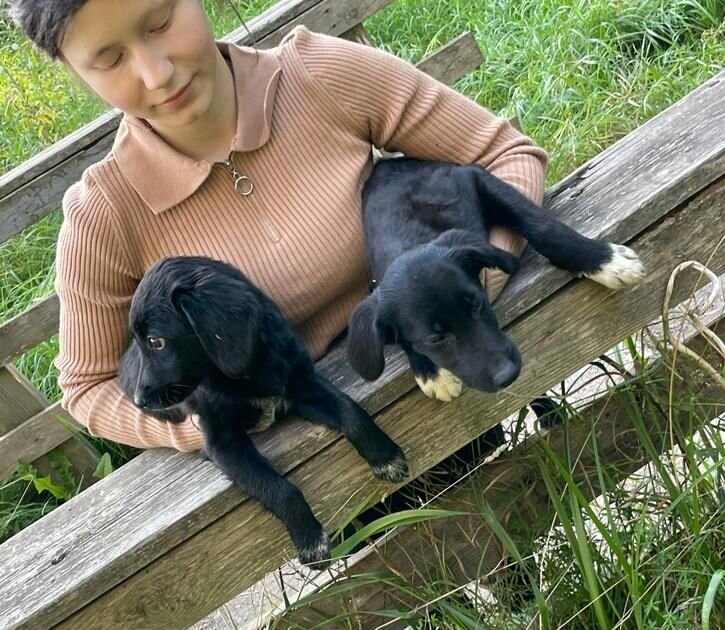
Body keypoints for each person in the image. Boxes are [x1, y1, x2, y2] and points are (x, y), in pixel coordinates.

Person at [9, 0, 547, 457]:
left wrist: (465, 304)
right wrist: (210, 422)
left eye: (161, 22)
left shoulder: (319, 73)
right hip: (321, 465)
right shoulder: (104, 214)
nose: (157, 73)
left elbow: (504, 154)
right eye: (109, 60)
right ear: (76, 73)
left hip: (460, 387)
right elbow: (87, 387)